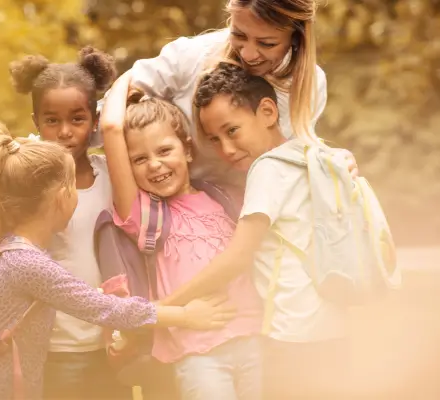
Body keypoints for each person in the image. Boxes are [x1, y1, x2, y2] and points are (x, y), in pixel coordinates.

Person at [0, 122, 236, 400]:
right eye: (73, 187)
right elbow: (106, 308)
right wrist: (186, 316)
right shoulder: (27, 264)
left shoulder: (10, 249)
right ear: (61, 198)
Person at [164, 62, 351, 399]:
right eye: (215, 140)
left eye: (232, 131)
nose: (226, 149)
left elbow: (237, 257)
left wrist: (165, 308)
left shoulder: (268, 169)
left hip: (292, 332)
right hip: (335, 324)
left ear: (267, 111)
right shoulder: (314, 154)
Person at [0, 46, 129, 400]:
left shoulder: (111, 175)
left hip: (107, 340)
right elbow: (7, 258)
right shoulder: (22, 182)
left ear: (95, 120)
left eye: (78, 119)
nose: (65, 131)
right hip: (46, 349)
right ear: (36, 121)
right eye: (52, 120)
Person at [99, 71, 263, 400]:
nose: (155, 165)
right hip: (198, 354)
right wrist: (131, 77)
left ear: (187, 149)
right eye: (140, 160)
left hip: (255, 339)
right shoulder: (145, 215)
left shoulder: (226, 197)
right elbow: (111, 128)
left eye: (164, 151)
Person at [114, 0, 357, 184]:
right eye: (239, 35)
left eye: (267, 43)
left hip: (244, 212)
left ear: (296, 38)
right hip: (174, 205)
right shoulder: (193, 56)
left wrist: (331, 160)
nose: (249, 54)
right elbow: (111, 105)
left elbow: (292, 158)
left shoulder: (310, 86)